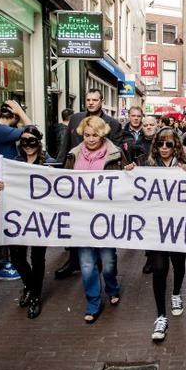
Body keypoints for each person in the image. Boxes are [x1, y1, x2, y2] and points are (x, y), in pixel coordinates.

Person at [124, 127, 186, 341]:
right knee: (159, 269)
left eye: (169, 144)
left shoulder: (184, 168)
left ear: (176, 147)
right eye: (160, 144)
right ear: (155, 146)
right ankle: (161, 316)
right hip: (155, 229)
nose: (164, 148)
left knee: (179, 265)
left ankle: (176, 294)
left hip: (178, 227)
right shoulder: (145, 166)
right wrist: (130, 173)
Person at [63, 116, 129, 323]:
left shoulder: (116, 154)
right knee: (87, 263)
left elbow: (128, 182)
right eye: (87, 135)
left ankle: (112, 286)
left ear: (103, 134)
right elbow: (63, 183)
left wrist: (130, 172)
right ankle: (93, 301)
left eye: (95, 135)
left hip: (106, 218)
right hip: (81, 218)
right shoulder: (73, 155)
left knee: (108, 261)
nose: (90, 139)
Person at [54, 89, 123, 279]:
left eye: (95, 100)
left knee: (102, 233)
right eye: (88, 99)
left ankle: (105, 267)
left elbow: (116, 154)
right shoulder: (76, 119)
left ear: (101, 101)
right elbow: (66, 148)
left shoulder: (113, 124)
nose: (91, 103)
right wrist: (59, 173)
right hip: (78, 186)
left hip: (101, 189)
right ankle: (74, 261)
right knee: (78, 226)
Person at [0, 126, 54, 319]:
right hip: (19, 218)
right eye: (24, 141)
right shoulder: (13, 164)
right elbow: (4, 191)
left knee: (37, 258)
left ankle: (35, 296)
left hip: (40, 218)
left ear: (38, 142)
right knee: (17, 257)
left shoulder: (48, 163)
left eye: (32, 141)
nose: (28, 145)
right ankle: (29, 285)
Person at [0, 100, 32, 281]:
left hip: (6, 179)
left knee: (8, 221)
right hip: (6, 181)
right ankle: (2, 264)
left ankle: (6, 262)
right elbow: (32, 130)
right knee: (6, 223)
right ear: (12, 115)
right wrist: (21, 111)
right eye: (16, 115)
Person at [135, 114, 160, 274]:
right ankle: (150, 257)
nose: (149, 127)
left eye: (151, 124)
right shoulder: (136, 146)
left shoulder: (163, 142)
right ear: (142, 127)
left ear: (156, 126)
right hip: (145, 193)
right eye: (146, 125)